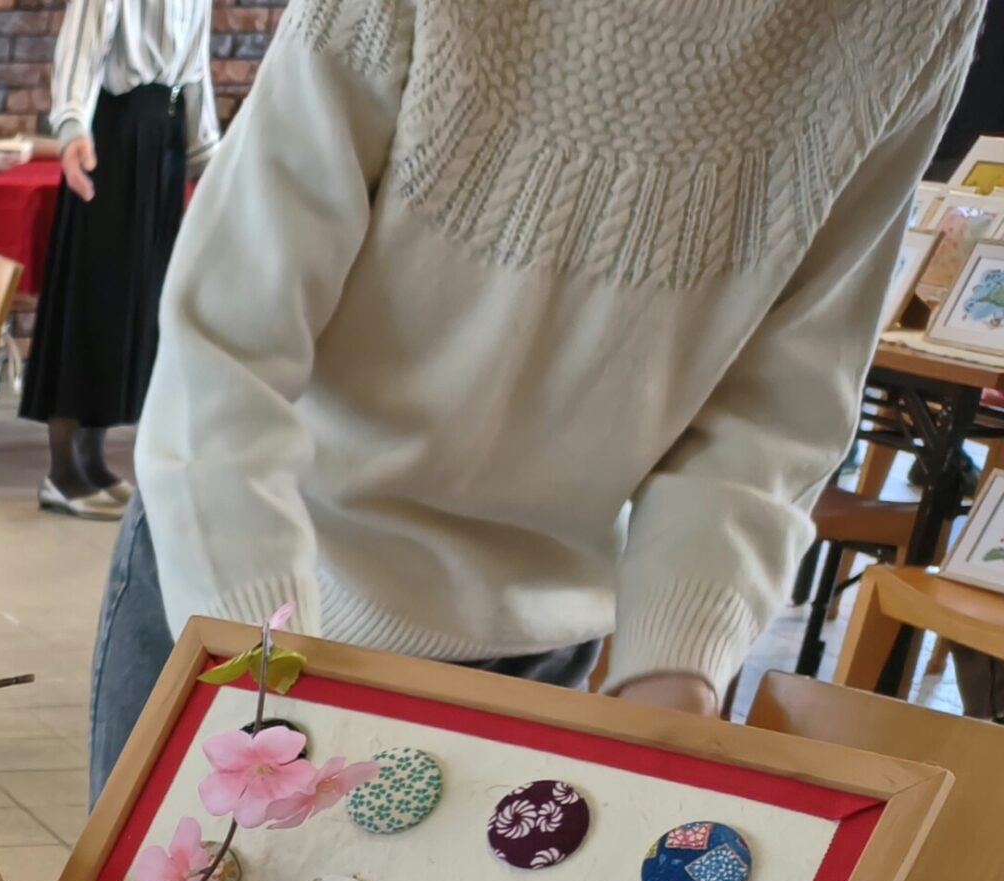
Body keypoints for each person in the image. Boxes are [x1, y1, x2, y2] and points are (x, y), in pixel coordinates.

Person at [88, 0, 982, 797]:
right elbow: (231, 332)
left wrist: (673, 675)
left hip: (532, 647)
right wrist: (267, 657)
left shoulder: (917, 16)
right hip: (242, 567)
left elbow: (776, 403)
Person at [22, 0, 219, 519]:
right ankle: (62, 471)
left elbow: (195, 67)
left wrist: (206, 155)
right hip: (113, 134)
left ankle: (92, 460)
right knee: (94, 296)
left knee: (134, 305)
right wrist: (71, 128)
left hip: (164, 138)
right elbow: (82, 47)